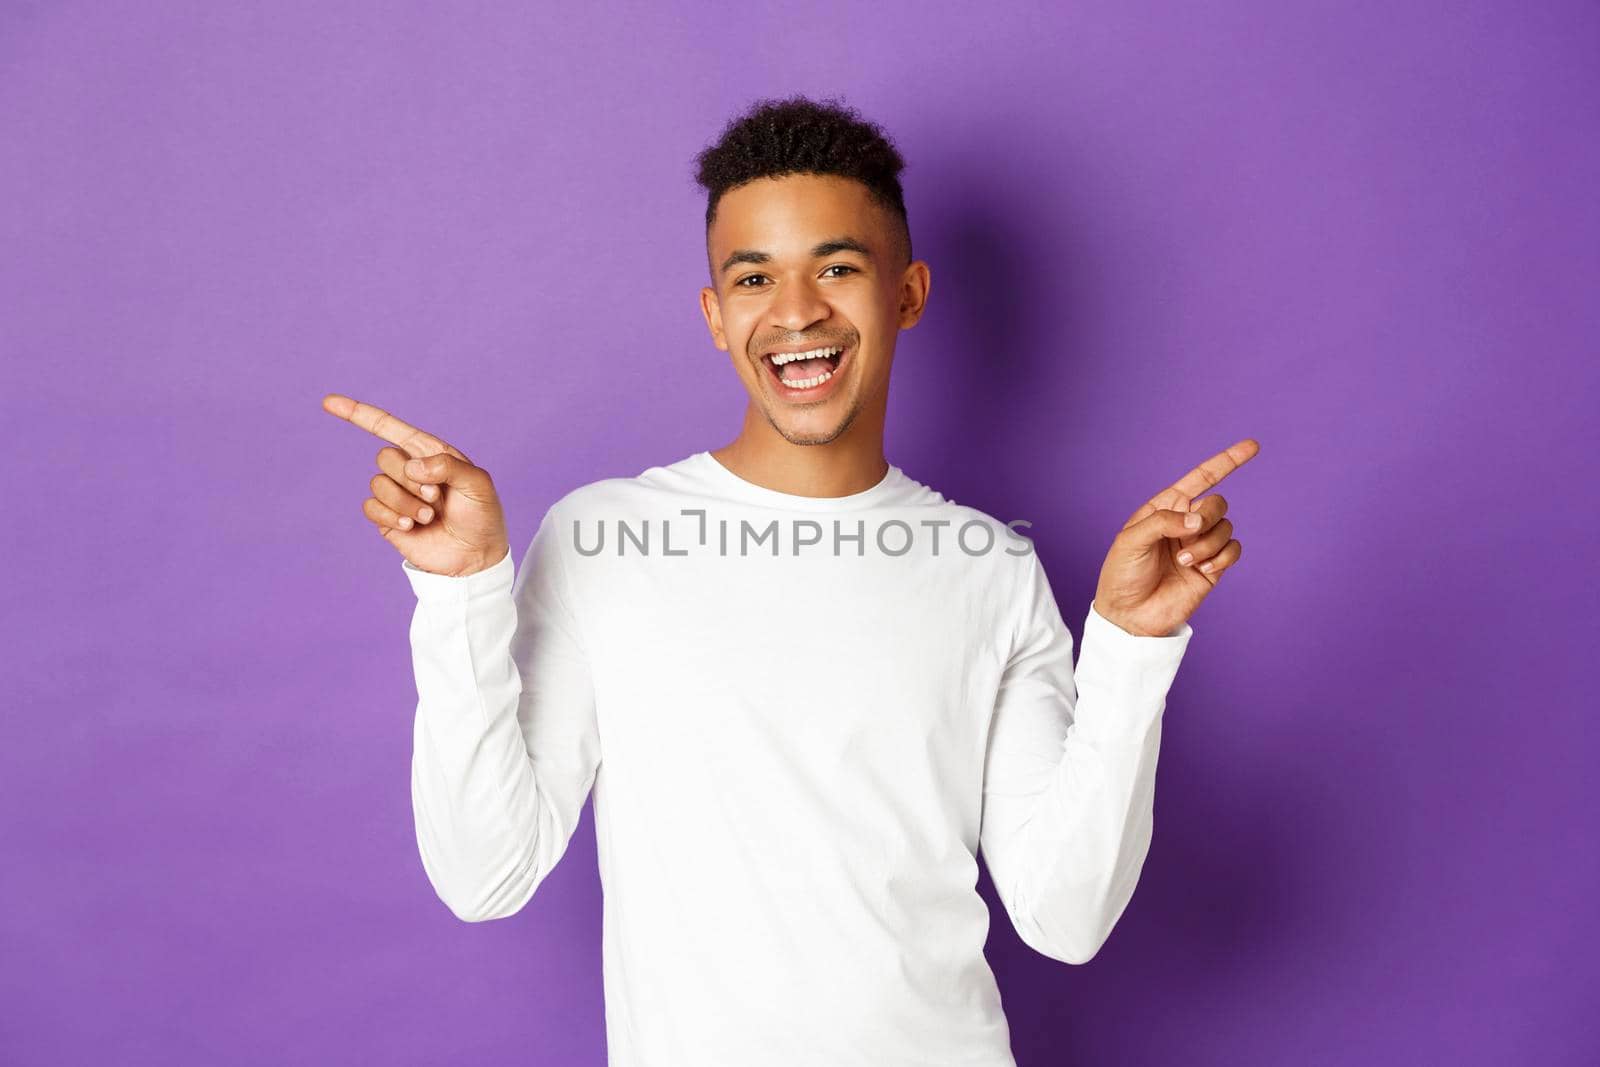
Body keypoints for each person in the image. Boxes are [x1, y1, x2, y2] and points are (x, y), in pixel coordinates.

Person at [322, 93, 1257, 1067]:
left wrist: (1130, 649)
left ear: (907, 292)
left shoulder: (992, 565)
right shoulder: (604, 539)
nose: (796, 310)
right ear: (716, 316)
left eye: (838, 267)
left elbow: (1065, 915)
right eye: (753, 276)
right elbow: (488, 873)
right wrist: (462, 589)